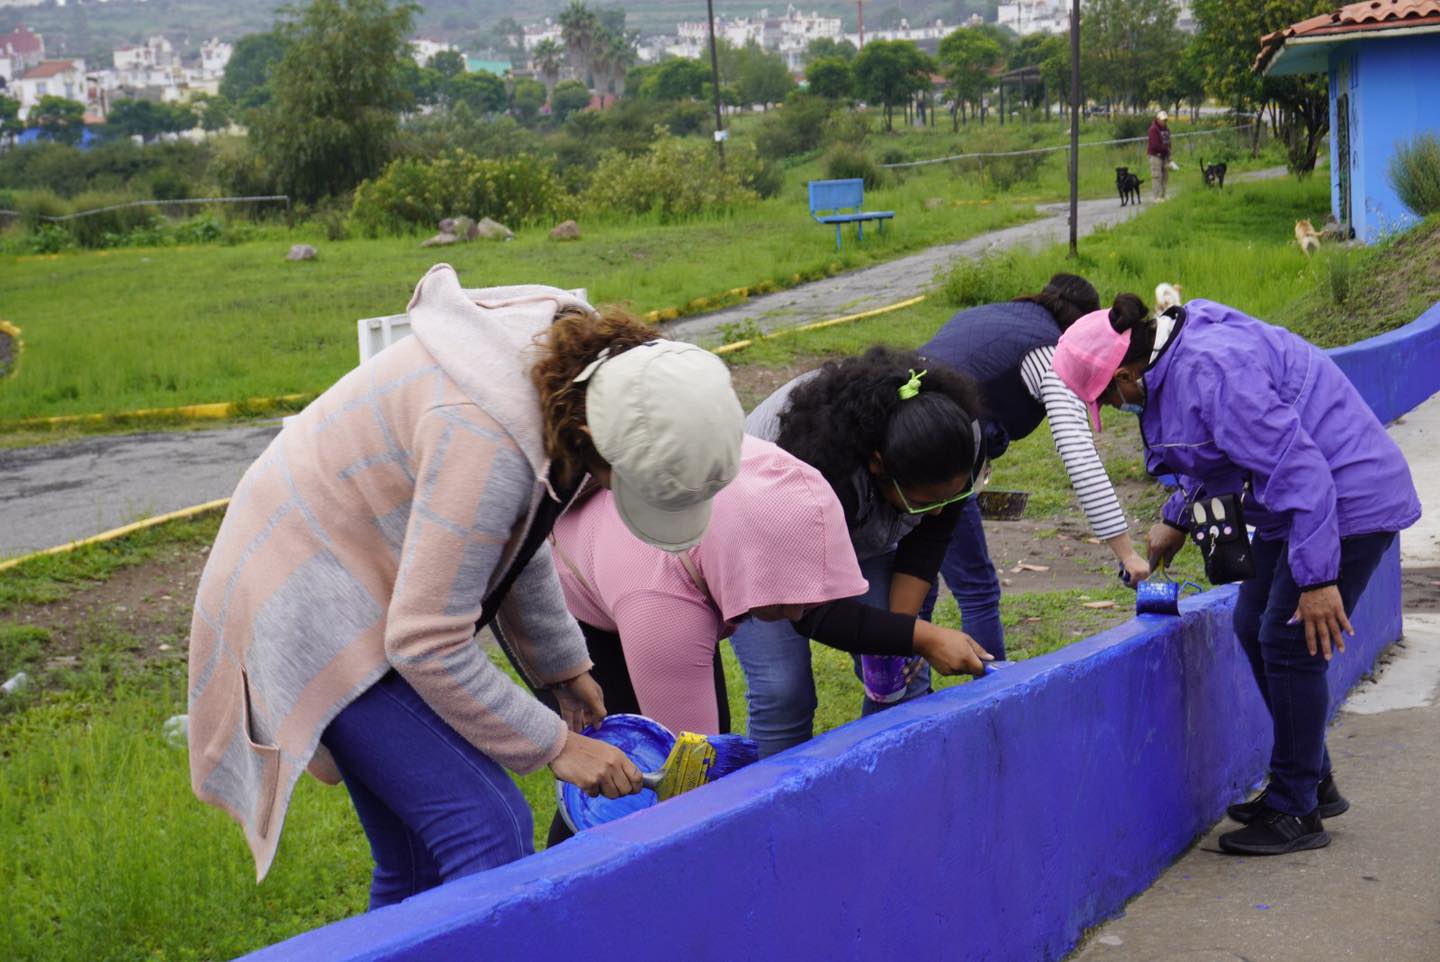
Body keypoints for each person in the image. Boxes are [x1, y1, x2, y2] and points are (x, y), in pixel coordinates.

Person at [186, 264, 746, 907]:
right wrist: (557, 746)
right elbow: (426, 642)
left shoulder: (566, 384)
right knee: (489, 830)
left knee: (417, 864)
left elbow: (514, 539)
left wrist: (563, 667)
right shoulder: (487, 432)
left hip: (359, 583)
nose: (617, 492)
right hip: (309, 603)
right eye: (628, 480)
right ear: (596, 437)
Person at [1052, 294, 1420, 856]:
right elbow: (1219, 450)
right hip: (1293, 505)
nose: (1110, 411)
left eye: (1106, 397)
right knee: (1252, 624)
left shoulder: (1213, 372)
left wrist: (1320, 582)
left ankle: (1297, 812)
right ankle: (1310, 781)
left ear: (1126, 374)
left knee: (1290, 639)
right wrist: (1177, 516)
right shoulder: (1176, 357)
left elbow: (1303, 470)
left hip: (1344, 502)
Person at [545, 434, 990, 842]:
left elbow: (814, 614)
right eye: (788, 596)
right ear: (749, 570)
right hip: (569, 609)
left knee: (701, 755)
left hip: (655, 563)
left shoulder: (782, 486)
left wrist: (918, 636)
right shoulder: (663, 611)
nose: (799, 613)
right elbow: (691, 795)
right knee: (625, 777)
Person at [732, 347, 991, 757]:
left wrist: (900, 638)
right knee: (783, 692)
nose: (938, 511)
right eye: (924, 501)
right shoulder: (812, 479)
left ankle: (893, 791)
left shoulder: (955, 439)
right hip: (759, 539)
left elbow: (931, 534)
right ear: (878, 465)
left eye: (949, 497)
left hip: (859, 518)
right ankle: (773, 810)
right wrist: (922, 636)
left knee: (904, 677)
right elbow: (810, 612)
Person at [918, 273, 1150, 660]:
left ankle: (902, 702)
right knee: (977, 589)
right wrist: (1127, 554)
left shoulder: (995, 313)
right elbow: (1079, 456)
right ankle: (992, 699)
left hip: (901, 433)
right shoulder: (1054, 354)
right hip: (938, 449)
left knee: (915, 587)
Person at [1147, 109, 1172, 201]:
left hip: (1164, 156)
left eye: (1166, 120)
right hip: (1155, 155)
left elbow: (1169, 142)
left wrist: (1169, 154)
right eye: (1163, 120)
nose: (1164, 122)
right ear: (1158, 119)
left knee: (1165, 176)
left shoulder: (1166, 129)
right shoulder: (1153, 129)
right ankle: (1156, 197)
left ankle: (1163, 195)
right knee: (1157, 176)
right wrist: (1165, 148)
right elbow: (1155, 145)